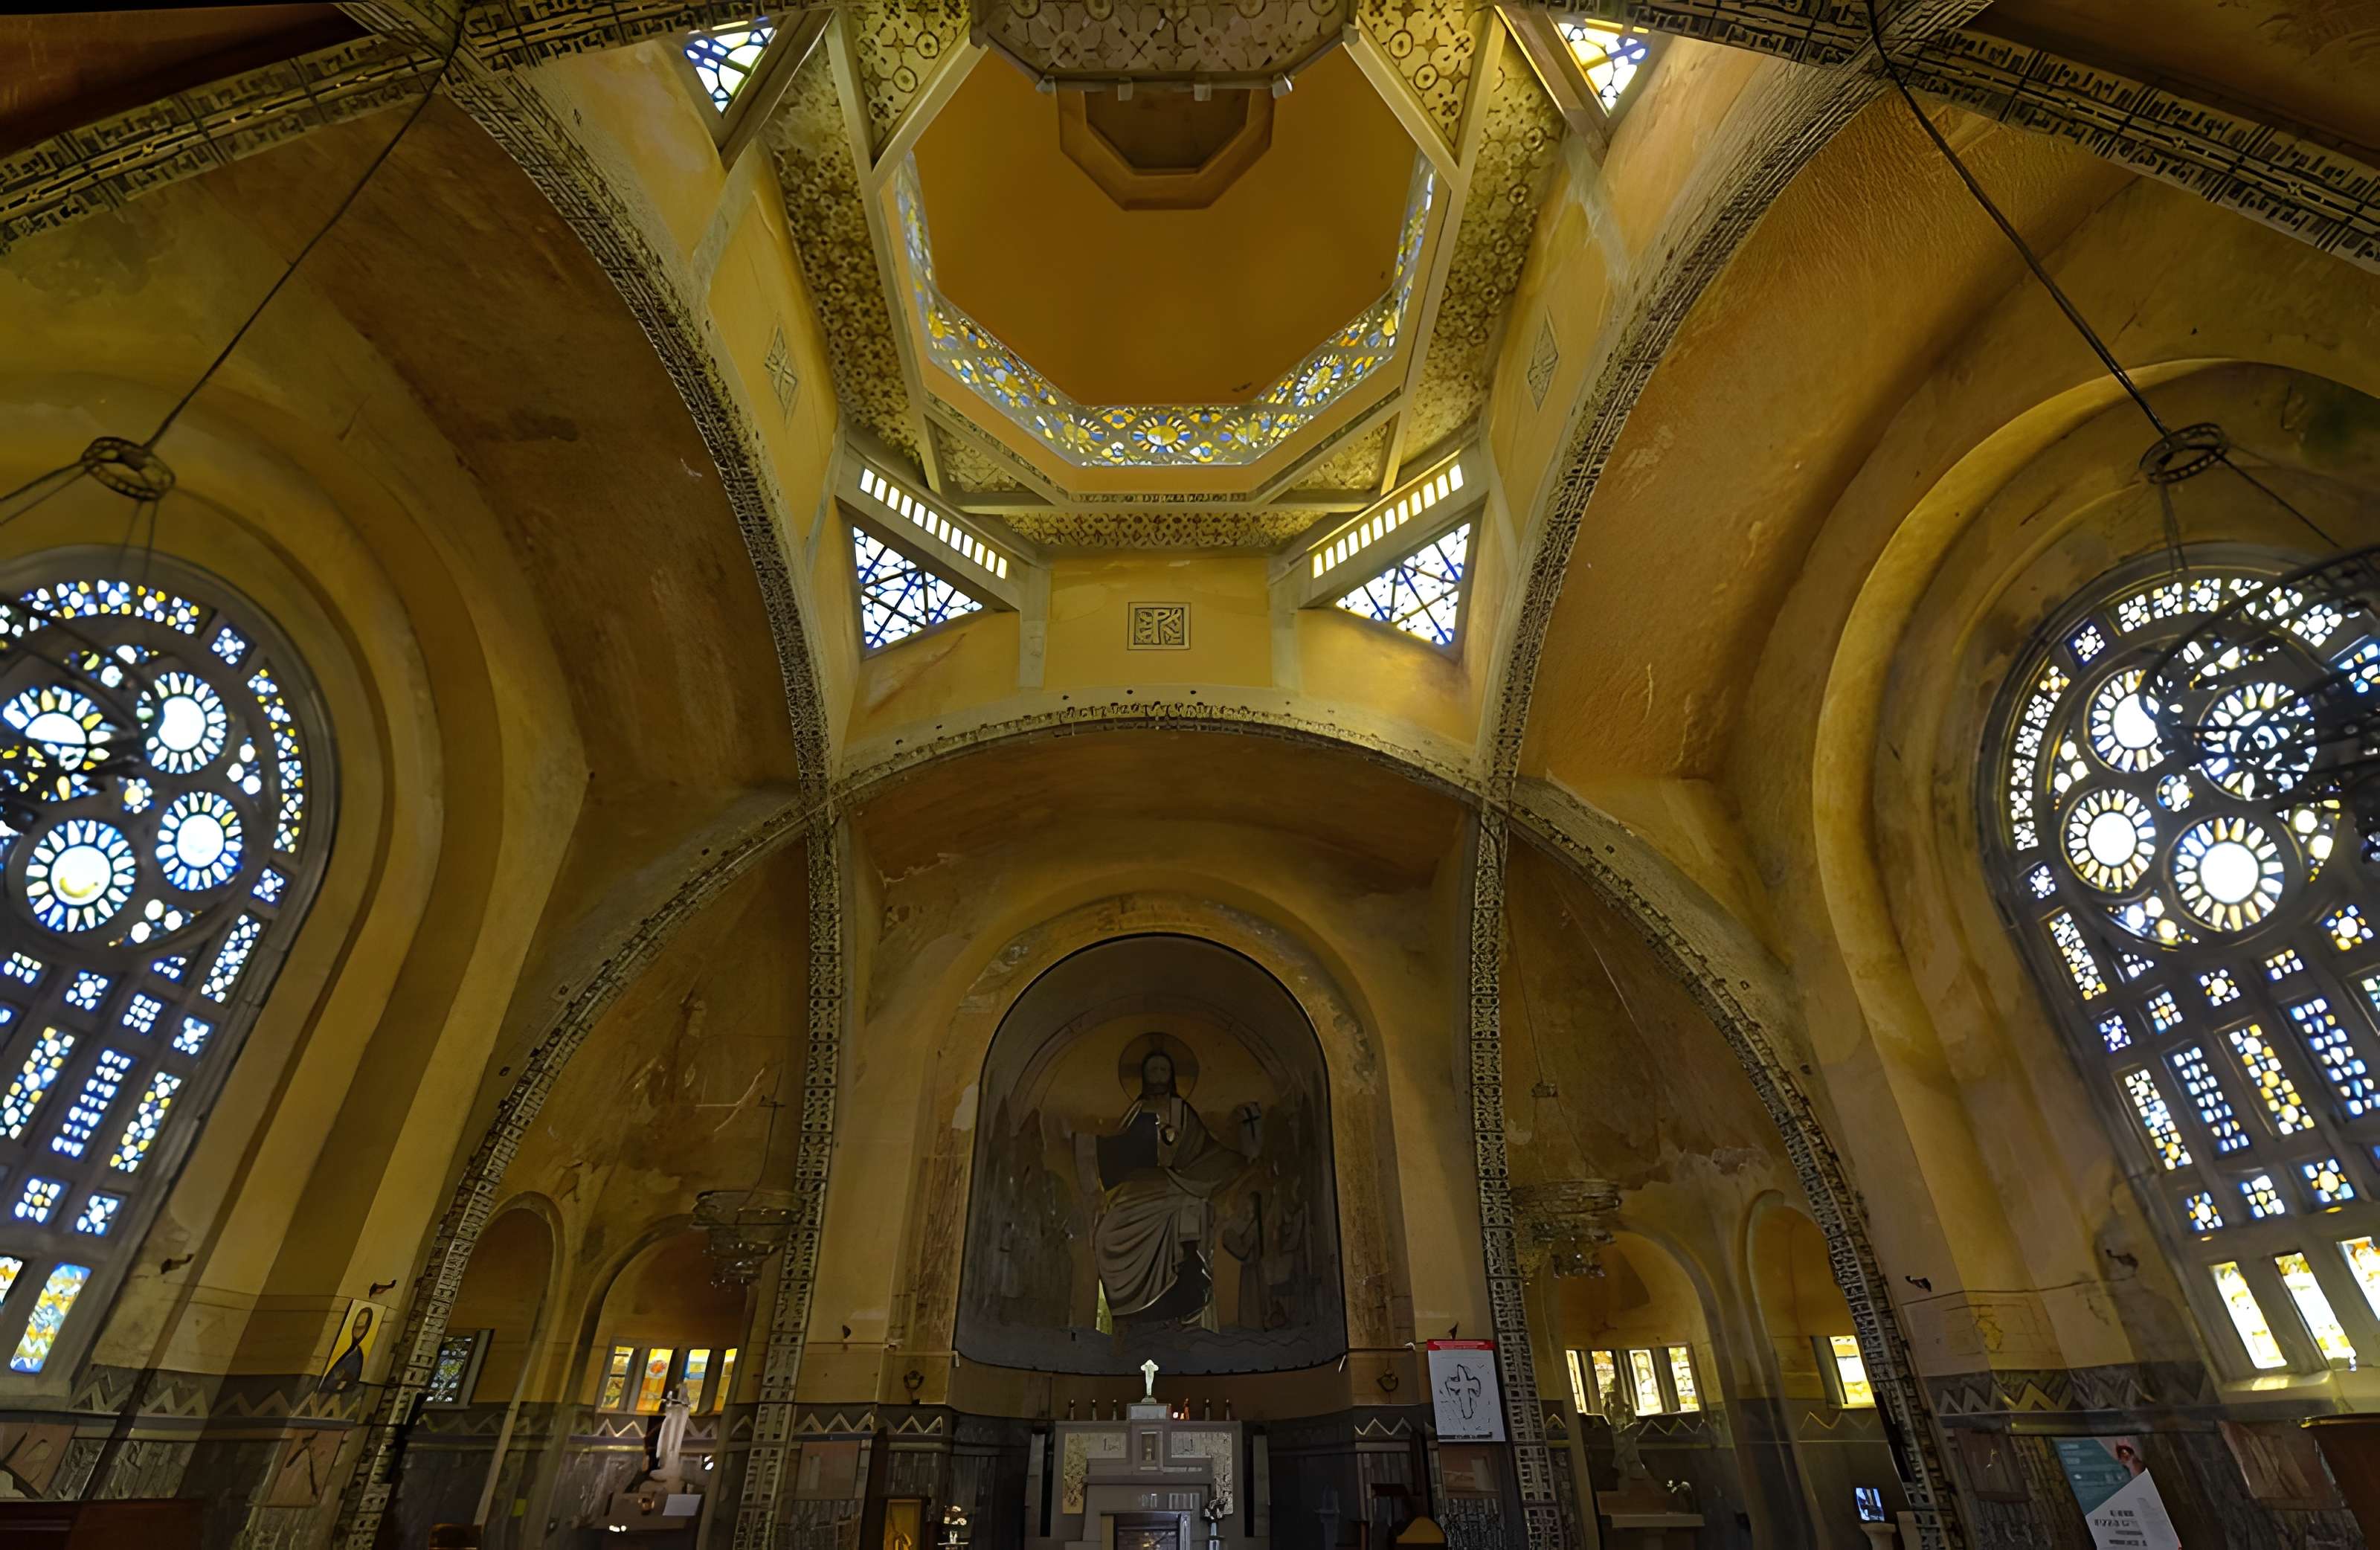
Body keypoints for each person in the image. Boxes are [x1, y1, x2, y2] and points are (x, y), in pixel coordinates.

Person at [1078, 1046, 1258, 1330]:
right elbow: (1115, 1151)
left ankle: (1181, 1307)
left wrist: (1239, 1157)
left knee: (1189, 1214)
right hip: (1138, 1188)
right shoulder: (1136, 1110)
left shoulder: (1182, 1111)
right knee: (1106, 1234)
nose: (1159, 1076)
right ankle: (1131, 1319)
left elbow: (1204, 1149)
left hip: (1180, 1184)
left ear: (1172, 1075)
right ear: (1144, 1076)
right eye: (1154, 1070)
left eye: (1164, 1070)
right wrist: (1086, 1143)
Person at [317, 1305, 373, 1395]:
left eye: (360, 1328)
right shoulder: (345, 1348)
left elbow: (348, 1382)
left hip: (329, 1393)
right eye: (355, 1327)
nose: (356, 1332)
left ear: (366, 1329)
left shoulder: (357, 1357)